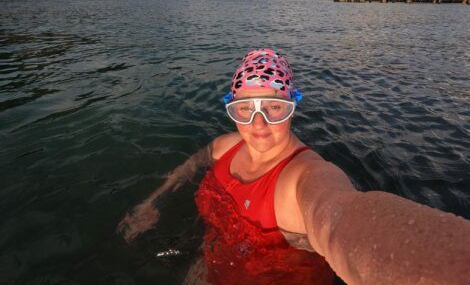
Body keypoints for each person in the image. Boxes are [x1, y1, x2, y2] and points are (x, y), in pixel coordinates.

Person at [117, 48, 470, 285]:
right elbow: (189, 166)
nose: (257, 124)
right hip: (208, 265)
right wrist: (153, 201)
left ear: (293, 106)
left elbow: (338, 219)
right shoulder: (225, 147)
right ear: (232, 107)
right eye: (245, 108)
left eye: (274, 108)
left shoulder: (302, 177)